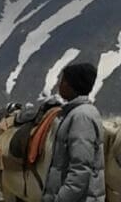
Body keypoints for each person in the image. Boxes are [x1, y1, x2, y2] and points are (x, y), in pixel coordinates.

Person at [42, 63, 105, 202]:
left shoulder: (81, 117)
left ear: (73, 85)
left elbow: (80, 169)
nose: (60, 85)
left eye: (63, 81)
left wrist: (60, 199)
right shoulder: (77, 113)